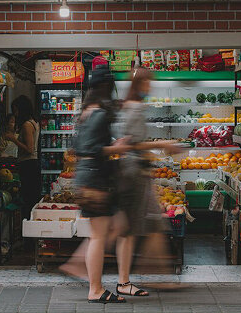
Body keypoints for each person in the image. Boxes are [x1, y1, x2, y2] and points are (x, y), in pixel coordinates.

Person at [113, 67, 182, 297]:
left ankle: (160, 275)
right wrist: (163, 145)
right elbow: (132, 144)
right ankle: (129, 280)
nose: (150, 87)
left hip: (136, 172)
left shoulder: (128, 106)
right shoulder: (135, 108)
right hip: (134, 174)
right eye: (148, 83)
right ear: (140, 85)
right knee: (135, 229)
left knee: (153, 226)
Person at [71, 66, 134, 304]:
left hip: (88, 177)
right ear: (107, 87)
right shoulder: (99, 113)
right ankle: (95, 289)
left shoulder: (86, 112)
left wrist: (112, 144)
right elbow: (92, 150)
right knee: (98, 237)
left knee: (119, 226)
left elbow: (84, 146)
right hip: (95, 179)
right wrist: (116, 148)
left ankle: (82, 268)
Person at [5, 96, 40, 220]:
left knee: (28, 199)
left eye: (16, 110)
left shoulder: (27, 125)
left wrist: (14, 139)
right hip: (32, 164)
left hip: (28, 165)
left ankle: (28, 230)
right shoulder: (34, 122)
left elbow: (29, 149)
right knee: (31, 198)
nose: (15, 113)